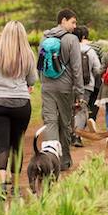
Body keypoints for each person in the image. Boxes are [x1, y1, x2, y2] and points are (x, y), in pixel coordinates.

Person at [0, 21, 36, 199]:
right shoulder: (28, 54)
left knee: (1, 144)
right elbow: (32, 80)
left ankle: (2, 185)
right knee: (17, 145)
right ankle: (17, 187)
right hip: (21, 103)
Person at [38, 9, 83, 171]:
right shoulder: (72, 39)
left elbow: (40, 65)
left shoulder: (44, 38)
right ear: (63, 20)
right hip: (65, 88)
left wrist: (43, 83)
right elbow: (77, 69)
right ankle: (64, 160)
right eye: (73, 22)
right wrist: (80, 92)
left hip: (47, 87)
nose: (74, 26)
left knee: (50, 122)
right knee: (65, 123)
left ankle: (51, 160)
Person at [73, 26, 101, 143]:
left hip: (69, 85)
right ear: (83, 37)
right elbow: (97, 69)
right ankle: (77, 136)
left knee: (70, 110)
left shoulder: (68, 49)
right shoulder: (90, 51)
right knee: (82, 110)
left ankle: (68, 134)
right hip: (86, 85)